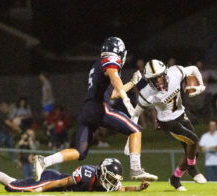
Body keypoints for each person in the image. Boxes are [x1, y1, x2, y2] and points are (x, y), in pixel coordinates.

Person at [33, 37, 157, 182]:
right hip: (99, 107)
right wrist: (126, 99)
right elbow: (114, 78)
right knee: (135, 130)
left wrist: (131, 83)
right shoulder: (110, 62)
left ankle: (44, 161)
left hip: (87, 110)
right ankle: (136, 169)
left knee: (79, 152)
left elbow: (112, 93)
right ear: (120, 52)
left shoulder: (98, 64)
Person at [126, 59, 207, 191]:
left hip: (181, 114)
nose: (158, 81)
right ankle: (192, 169)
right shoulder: (147, 93)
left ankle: (175, 179)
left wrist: (201, 85)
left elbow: (193, 68)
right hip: (167, 122)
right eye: (154, 79)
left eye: (159, 77)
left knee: (193, 152)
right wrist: (130, 131)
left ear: (165, 73)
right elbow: (136, 113)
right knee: (193, 141)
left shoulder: (175, 73)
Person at [0, 158, 150, 192]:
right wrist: (41, 188)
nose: (110, 182)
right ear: (101, 173)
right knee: (13, 186)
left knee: (13, 185)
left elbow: (122, 188)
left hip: (58, 180)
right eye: (108, 178)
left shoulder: (104, 180)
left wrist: (139, 188)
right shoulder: (84, 174)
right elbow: (60, 183)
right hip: (51, 179)